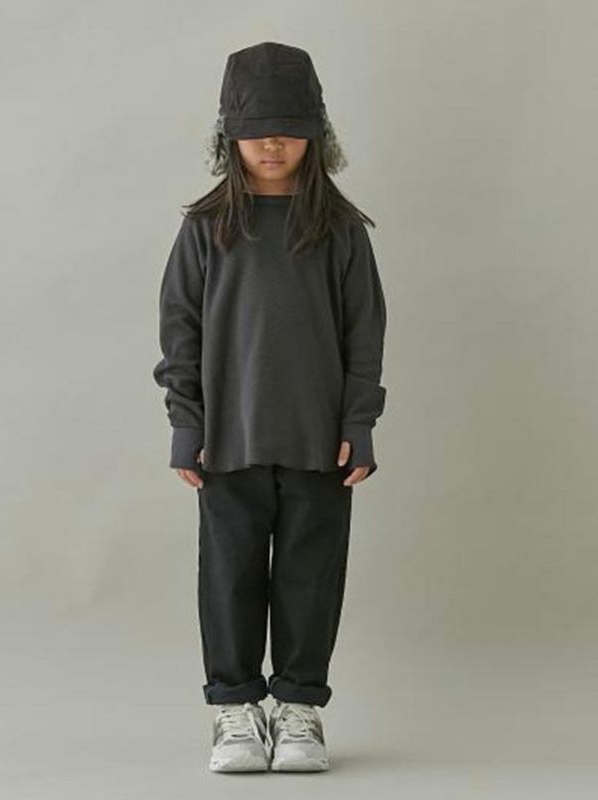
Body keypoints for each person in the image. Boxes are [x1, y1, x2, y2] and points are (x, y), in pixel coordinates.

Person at [152, 41, 388, 773]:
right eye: (256, 132)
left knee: (310, 575)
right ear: (229, 137)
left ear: (317, 134)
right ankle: (234, 710)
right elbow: (180, 330)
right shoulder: (205, 228)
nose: (273, 145)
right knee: (229, 576)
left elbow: (364, 333)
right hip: (227, 440)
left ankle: (298, 709)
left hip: (320, 441)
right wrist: (187, 424)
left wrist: (358, 423)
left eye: (289, 130)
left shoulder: (340, 230)